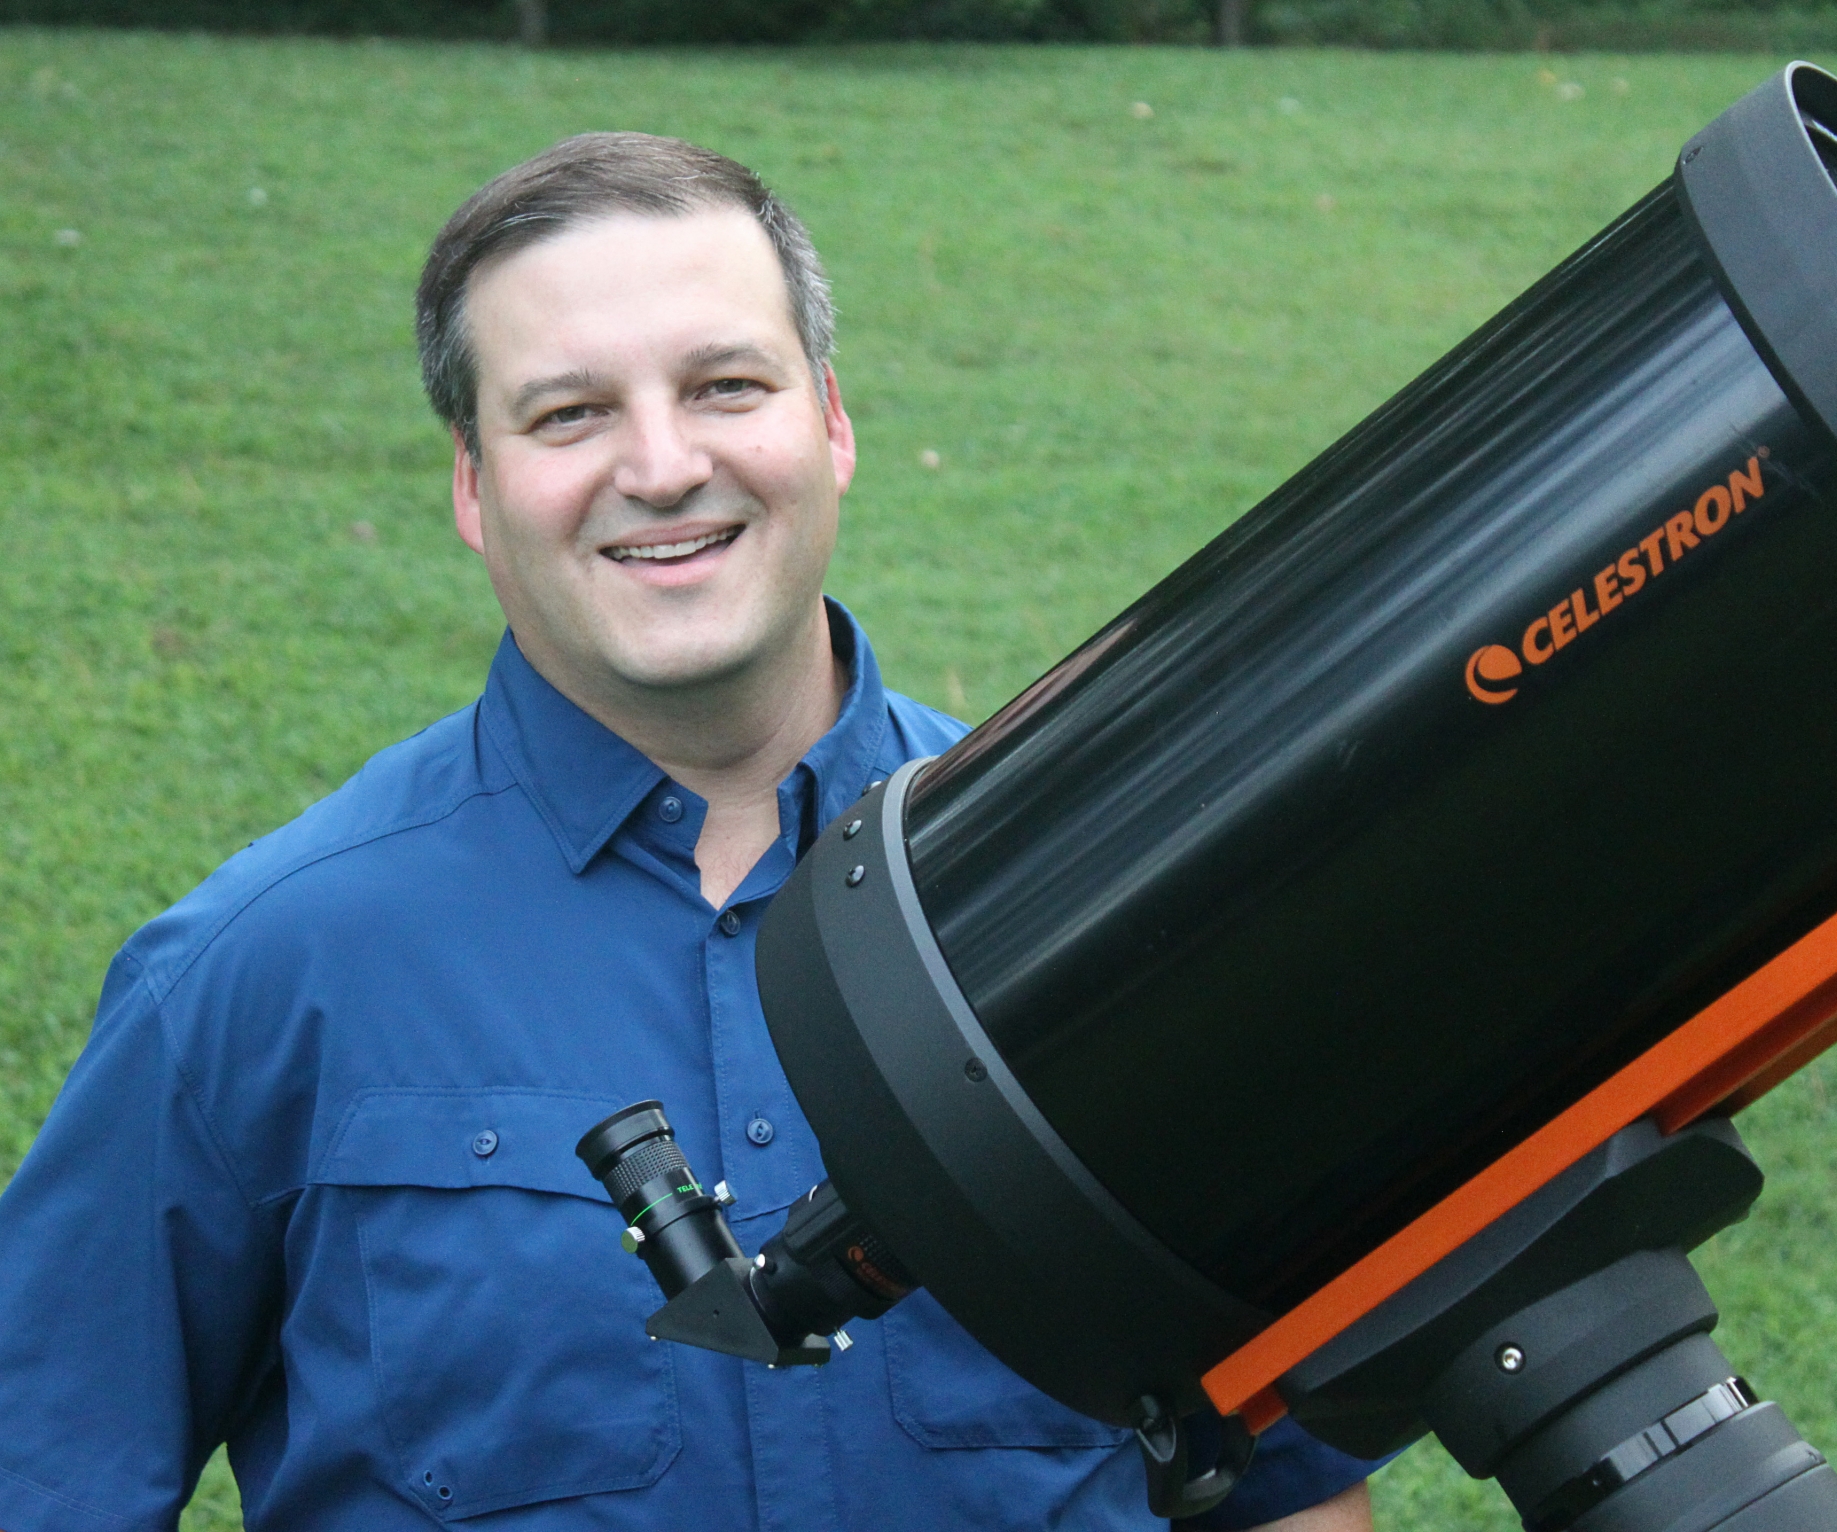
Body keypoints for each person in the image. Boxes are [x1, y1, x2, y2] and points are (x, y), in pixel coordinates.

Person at [0, 134, 1381, 1531]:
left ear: (830, 422)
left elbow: (1283, 1493)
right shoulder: (254, 977)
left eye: (726, 386)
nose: (661, 467)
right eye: (569, 415)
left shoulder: (1106, 892)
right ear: (474, 485)